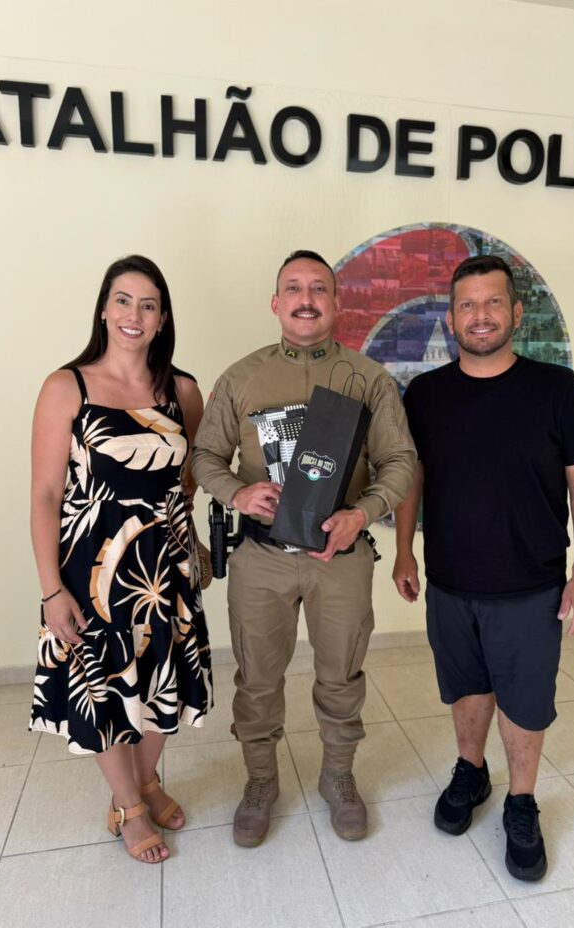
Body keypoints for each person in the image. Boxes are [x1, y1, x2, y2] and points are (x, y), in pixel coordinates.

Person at [393, 254, 574, 882]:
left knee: (525, 699)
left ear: (515, 312)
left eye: (492, 303)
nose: (480, 315)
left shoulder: (556, 388)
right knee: (465, 686)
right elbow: (411, 479)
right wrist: (404, 550)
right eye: (467, 305)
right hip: (450, 582)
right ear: (451, 318)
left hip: (530, 583)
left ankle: (521, 800)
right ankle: (471, 770)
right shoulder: (426, 394)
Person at [191, 250, 415, 846]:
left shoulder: (369, 380)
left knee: (341, 675)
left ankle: (338, 776)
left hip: (340, 558)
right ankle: (260, 782)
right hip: (260, 559)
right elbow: (205, 457)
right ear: (276, 303)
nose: (306, 299)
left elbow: (400, 461)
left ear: (336, 303)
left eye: (319, 288)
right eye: (293, 288)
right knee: (257, 679)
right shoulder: (240, 378)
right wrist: (238, 494)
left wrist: (362, 513)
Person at [30, 255, 213, 864]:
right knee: (104, 688)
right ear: (105, 310)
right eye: (124, 300)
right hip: (92, 571)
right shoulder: (67, 387)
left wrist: (187, 536)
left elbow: (188, 478)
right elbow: (45, 494)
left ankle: (148, 781)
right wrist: (52, 590)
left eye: (148, 304)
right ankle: (128, 806)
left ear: (162, 319)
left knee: (164, 680)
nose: (135, 314)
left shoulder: (183, 390)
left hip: (165, 568)